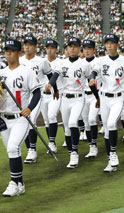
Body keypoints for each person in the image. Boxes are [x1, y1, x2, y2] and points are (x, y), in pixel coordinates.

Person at [0, 39, 42, 197]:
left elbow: (37, 93)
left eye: (12, 50)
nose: (8, 53)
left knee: (13, 147)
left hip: (21, 118)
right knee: (12, 151)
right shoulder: (1, 73)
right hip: (4, 117)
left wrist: (29, 108)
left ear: (19, 53)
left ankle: (13, 183)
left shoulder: (27, 72)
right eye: (6, 50)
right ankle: (19, 183)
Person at [45, 37, 96, 169]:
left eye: (75, 46)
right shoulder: (62, 63)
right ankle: (71, 152)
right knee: (67, 127)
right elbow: (55, 76)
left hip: (79, 97)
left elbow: (90, 78)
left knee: (73, 122)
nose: (72, 48)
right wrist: (50, 84)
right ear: (67, 48)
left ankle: (74, 153)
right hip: (65, 98)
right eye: (70, 46)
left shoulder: (85, 64)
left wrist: (96, 93)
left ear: (80, 48)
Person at [89, 34, 124, 172]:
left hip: (118, 98)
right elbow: (94, 72)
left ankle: (114, 153)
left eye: (112, 43)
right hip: (104, 98)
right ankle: (110, 160)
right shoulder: (101, 60)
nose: (109, 46)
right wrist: (92, 79)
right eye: (107, 43)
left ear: (117, 45)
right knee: (106, 131)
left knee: (110, 124)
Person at [19, 35, 56, 164]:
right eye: (25, 44)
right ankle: (29, 147)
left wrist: (54, 89)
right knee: (23, 122)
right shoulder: (19, 60)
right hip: (23, 95)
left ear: (35, 47)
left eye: (30, 44)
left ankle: (32, 150)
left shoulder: (41, 61)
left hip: (36, 94)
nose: (27, 47)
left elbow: (51, 75)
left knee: (31, 119)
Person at [81, 39, 101, 158]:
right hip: (84, 95)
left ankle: (94, 145)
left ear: (94, 49)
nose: (87, 50)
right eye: (85, 48)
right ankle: (92, 146)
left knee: (92, 119)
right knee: (86, 122)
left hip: (96, 95)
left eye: (89, 48)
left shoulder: (98, 62)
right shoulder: (80, 62)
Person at [45, 39, 63, 153]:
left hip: (56, 93)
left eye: (52, 47)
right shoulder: (42, 62)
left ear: (56, 49)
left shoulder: (60, 62)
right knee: (46, 120)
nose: (50, 50)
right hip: (43, 95)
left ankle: (52, 143)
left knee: (52, 115)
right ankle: (52, 142)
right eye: (48, 47)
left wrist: (50, 84)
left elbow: (55, 75)